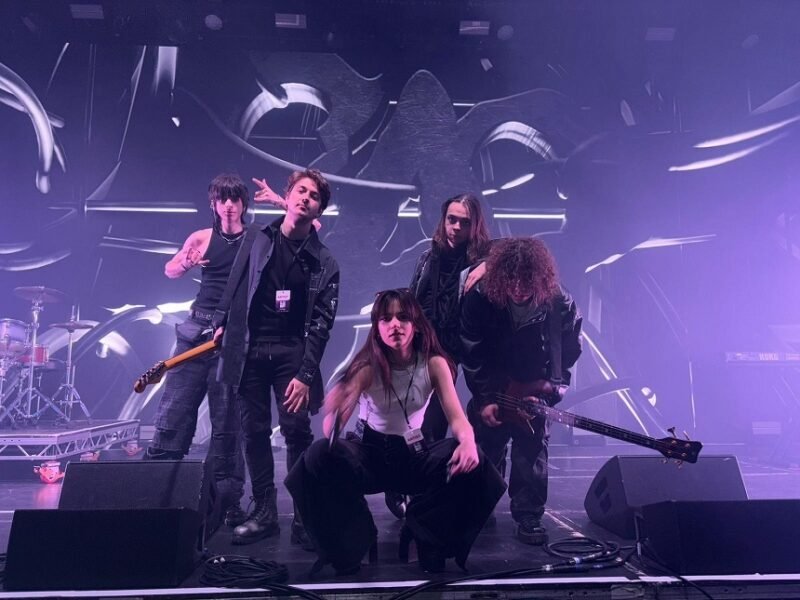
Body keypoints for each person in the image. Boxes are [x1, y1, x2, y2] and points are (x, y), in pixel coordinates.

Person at [285, 289, 506, 575]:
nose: (395, 325)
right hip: (368, 455)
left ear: (416, 325)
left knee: (477, 463)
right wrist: (334, 411)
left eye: (402, 317)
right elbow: (333, 428)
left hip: (413, 455)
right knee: (317, 456)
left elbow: (458, 418)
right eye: (386, 319)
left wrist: (467, 442)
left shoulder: (434, 364)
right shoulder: (367, 367)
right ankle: (355, 539)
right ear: (377, 328)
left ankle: (424, 532)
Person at [213, 168, 339, 548]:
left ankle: (304, 514)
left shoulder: (323, 260)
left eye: (313, 196)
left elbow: (321, 324)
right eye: (300, 191)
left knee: (296, 432)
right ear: (290, 195)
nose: (305, 198)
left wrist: (305, 373)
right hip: (251, 349)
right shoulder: (258, 238)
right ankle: (265, 511)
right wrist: (221, 323)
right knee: (252, 431)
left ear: (319, 210)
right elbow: (234, 283)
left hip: (291, 353)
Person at [460, 237, 582, 545]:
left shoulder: (559, 302)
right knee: (486, 449)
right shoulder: (480, 298)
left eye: (525, 280)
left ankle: (528, 516)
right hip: (493, 385)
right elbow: (472, 351)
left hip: (532, 387)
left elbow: (568, 349)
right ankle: (478, 509)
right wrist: (486, 397)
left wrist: (551, 388)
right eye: (511, 279)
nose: (517, 287)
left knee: (531, 451)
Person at [146, 173, 250, 528]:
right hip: (194, 334)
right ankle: (156, 491)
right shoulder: (201, 237)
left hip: (230, 339)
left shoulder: (255, 240)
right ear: (214, 204)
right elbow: (170, 269)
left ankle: (228, 501)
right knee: (173, 412)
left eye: (235, 199)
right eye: (223, 199)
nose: (229, 205)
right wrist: (186, 262)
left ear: (243, 203)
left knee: (226, 423)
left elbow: (311, 227)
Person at [381, 193, 491, 520]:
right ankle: (402, 487)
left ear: (475, 226)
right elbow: (413, 299)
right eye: (451, 219)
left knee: (433, 427)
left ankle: (419, 495)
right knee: (406, 424)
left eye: (464, 221)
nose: (456, 227)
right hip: (418, 351)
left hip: (449, 356)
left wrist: (488, 263)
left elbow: (517, 250)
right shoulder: (428, 257)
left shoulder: (480, 257)